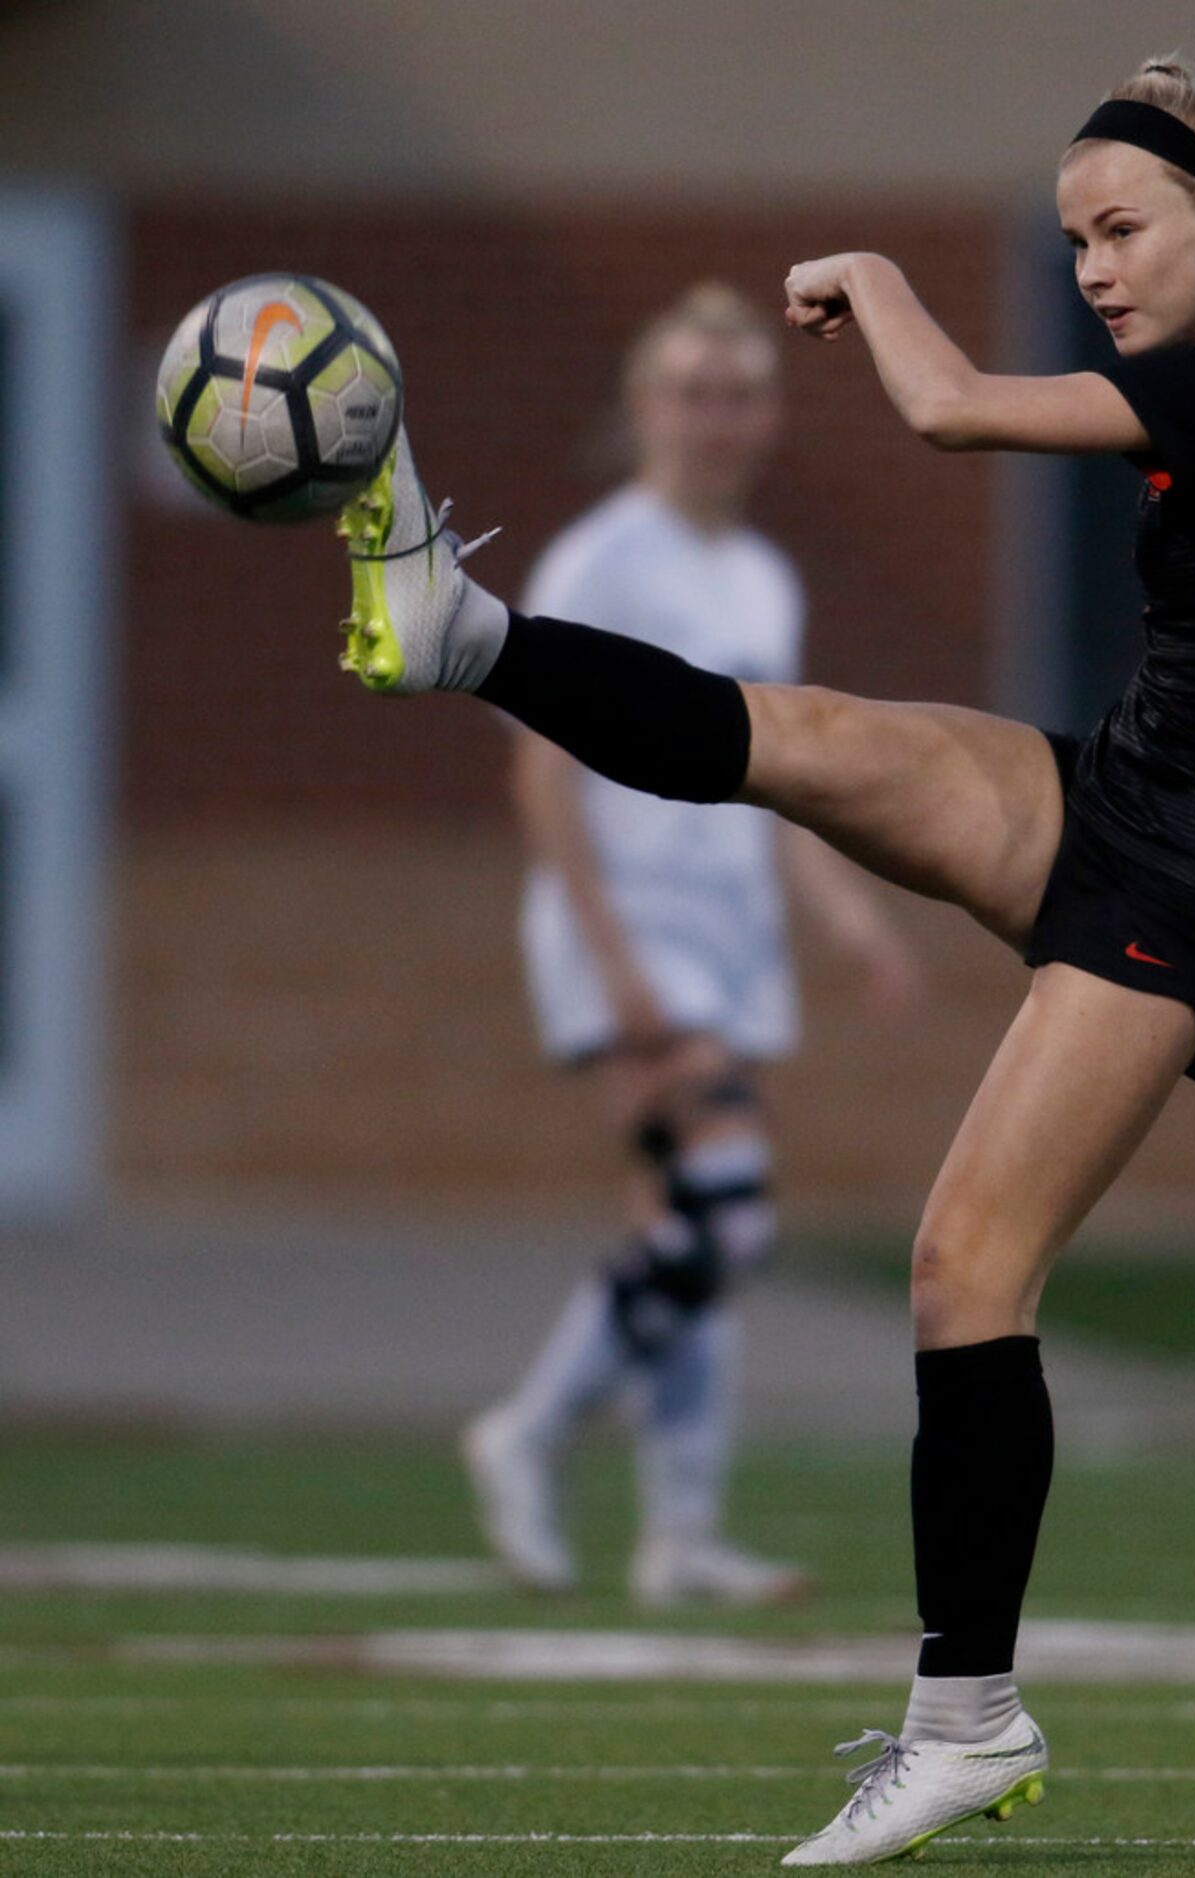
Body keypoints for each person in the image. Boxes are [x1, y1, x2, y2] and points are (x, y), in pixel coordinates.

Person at [328, 54, 1195, 1867]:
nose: (1093, 264)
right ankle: (467, 633)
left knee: (962, 1260)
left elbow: (942, 413)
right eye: (1076, 235)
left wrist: (874, 272)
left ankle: (969, 1718)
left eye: (1123, 229)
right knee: (817, 736)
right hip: (1130, 780)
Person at [460, 283, 921, 1607]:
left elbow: (775, 778)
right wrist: (609, 959)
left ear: (769, 415)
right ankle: (529, 1429)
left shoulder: (760, 574)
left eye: (741, 393)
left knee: (687, 1232)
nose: (717, 419)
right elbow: (542, 777)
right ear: (643, 409)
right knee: (729, 1207)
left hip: (732, 935)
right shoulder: (601, 562)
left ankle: (680, 1532)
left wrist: (845, 912)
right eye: (691, 392)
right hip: (634, 923)